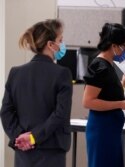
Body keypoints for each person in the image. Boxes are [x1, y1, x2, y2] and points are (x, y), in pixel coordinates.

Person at [0, 19, 73, 167]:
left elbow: (6, 112)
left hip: (23, 152)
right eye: (61, 40)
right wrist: (33, 138)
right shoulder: (62, 74)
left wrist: (20, 137)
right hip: (52, 149)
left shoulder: (16, 73)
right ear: (50, 45)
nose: (63, 45)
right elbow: (60, 114)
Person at [82, 23, 125, 167]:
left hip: (111, 130)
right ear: (114, 46)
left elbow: (107, 93)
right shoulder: (99, 66)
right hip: (102, 131)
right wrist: (121, 104)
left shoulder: (108, 65)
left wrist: (123, 84)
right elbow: (88, 101)